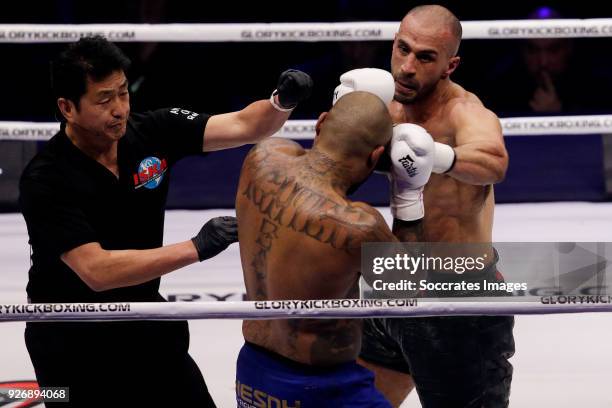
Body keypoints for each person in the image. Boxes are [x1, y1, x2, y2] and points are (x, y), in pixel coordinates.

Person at [19, 36, 312, 407]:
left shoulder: (153, 130)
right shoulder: (45, 178)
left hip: (144, 315)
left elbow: (244, 125)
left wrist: (281, 101)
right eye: (104, 100)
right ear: (67, 107)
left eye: (123, 93)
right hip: (70, 336)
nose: (120, 109)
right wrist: (196, 247)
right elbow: (96, 271)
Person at [354, 5, 515, 408]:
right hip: (393, 279)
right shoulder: (384, 105)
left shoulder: (463, 112)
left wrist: (441, 158)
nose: (407, 67)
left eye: (425, 57)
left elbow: (493, 162)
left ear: (450, 65)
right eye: (403, 50)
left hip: (459, 293)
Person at [234, 91, 415, 407]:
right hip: (325, 388)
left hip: (253, 374)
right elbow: (412, 292)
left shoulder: (261, 157)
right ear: (375, 158)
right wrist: (409, 195)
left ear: (319, 125)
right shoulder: (357, 226)